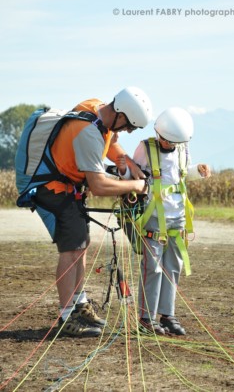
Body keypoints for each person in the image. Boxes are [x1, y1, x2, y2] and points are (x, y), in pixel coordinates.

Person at [34, 87, 152, 337]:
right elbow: (98, 186)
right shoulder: (88, 133)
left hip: (69, 188)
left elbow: (109, 142)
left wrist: (127, 160)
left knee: (81, 246)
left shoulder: (97, 109)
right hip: (55, 190)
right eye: (129, 126)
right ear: (120, 114)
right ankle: (67, 317)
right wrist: (135, 185)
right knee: (71, 250)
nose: (128, 131)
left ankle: (79, 304)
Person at [116, 107, 211, 336]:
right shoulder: (145, 149)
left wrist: (196, 171)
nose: (172, 146)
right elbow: (134, 174)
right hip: (154, 218)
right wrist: (123, 170)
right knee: (154, 268)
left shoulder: (180, 147)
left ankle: (168, 315)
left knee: (173, 266)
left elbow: (179, 174)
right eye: (168, 142)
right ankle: (146, 318)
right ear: (159, 134)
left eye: (175, 143)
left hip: (178, 218)